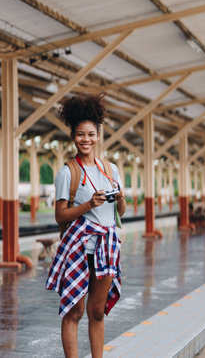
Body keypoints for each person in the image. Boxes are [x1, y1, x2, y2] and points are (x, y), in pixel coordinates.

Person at [46, 93, 126, 358]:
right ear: (73, 137)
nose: (86, 139)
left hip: (106, 247)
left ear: (98, 135)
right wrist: (89, 205)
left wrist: (121, 199)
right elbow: (60, 216)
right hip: (79, 247)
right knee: (74, 311)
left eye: (91, 134)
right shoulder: (67, 173)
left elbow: (118, 213)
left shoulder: (110, 169)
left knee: (97, 311)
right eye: (80, 134)